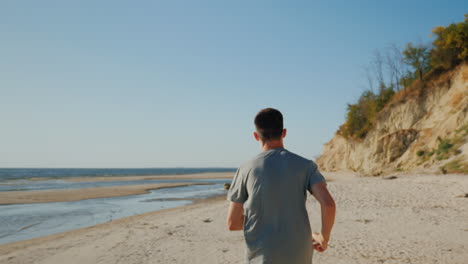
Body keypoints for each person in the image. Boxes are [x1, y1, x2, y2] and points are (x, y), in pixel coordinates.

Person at [226, 108, 336, 264]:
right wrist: (324, 238)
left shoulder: (245, 169)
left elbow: (233, 223)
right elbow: (328, 204)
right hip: (299, 253)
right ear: (284, 133)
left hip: (262, 255)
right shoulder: (306, 166)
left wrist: (262, 221)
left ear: (256, 136)